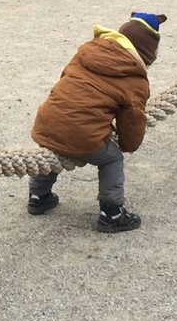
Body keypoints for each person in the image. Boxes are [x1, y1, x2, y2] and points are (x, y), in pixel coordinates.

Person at [27, 13, 165, 233]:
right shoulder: (135, 79)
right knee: (112, 159)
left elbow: (67, 82)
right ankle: (112, 213)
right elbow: (132, 121)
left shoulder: (86, 53)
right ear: (146, 52)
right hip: (83, 134)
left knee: (51, 153)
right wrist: (128, 144)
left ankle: (38, 196)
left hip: (48, 121)